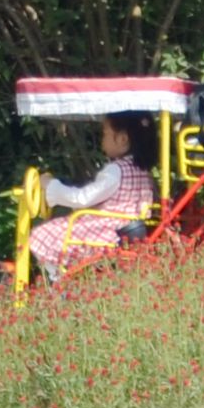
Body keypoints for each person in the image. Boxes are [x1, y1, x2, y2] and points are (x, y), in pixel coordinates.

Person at [22, 120, 154, 285]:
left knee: (41, 234)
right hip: (126, 229)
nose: (102, 140)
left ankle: (60, 280)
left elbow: (82, 198)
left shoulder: (116, 171)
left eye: (105, 134)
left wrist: (50, 184)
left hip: (106, 231)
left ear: (122, 139)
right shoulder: (142, 171)